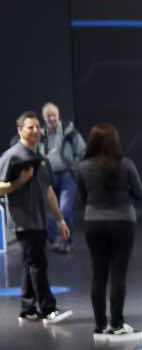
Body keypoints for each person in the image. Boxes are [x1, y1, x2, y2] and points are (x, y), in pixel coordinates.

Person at [74, 124, 142, 341]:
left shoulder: (82, 167)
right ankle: (116, 324)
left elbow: (81, 199)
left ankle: (100, 325)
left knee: (98, 274)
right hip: (123, 222)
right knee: (118, 274)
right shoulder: (126, 164)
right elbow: (140, 194)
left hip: (94, 223)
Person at [4, 112, 70, 324]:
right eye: (30, 127)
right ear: (20, 130)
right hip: (24, 221)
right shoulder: (12, 156)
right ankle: (48, 309)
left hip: (39, 219)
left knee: (30, 264)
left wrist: (60, 219)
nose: (35, 131)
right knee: (38, 264)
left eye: (37, 127)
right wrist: (19, 182)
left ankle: (28, 308)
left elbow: (48, 191)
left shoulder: (41, 159)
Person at [38, 102, 83, 254]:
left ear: (58, 115)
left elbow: (82, 150)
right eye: (48, 116)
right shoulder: (40, 134)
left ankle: (66, 241)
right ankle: (55, 240)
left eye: (54, 115)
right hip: (48, 177)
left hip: (66, 175)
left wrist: (74, 166)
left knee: (64, 209)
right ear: (44, 118)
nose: (52, 118)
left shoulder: (69, 131)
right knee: (49, 212)